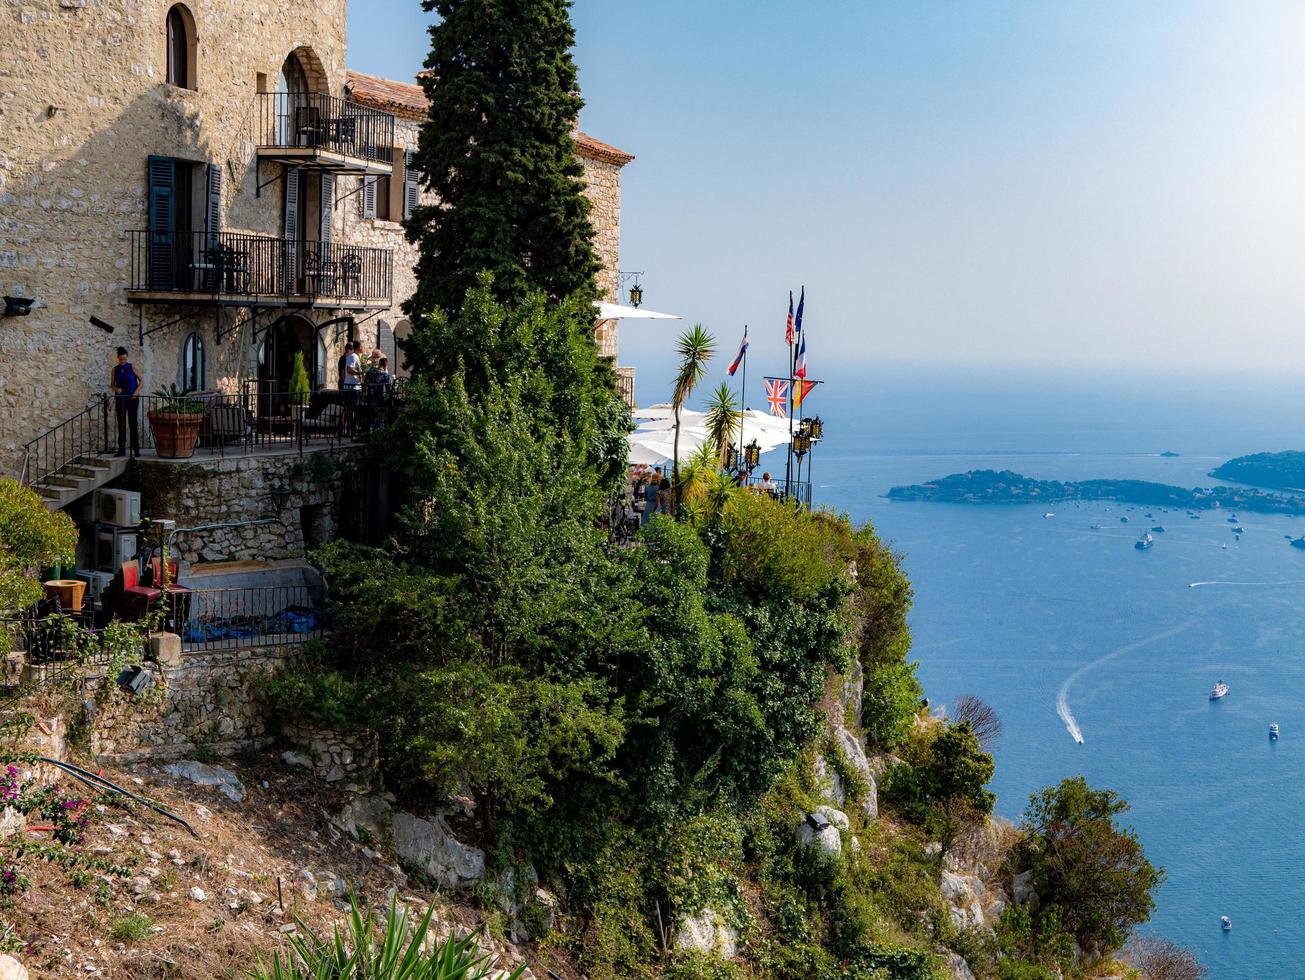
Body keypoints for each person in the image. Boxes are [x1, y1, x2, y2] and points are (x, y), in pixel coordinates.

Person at [109, 346, 143, 458]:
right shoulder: (115, 369)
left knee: (133, 423)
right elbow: (112, 384)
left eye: (124, 359)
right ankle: (121, 449)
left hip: (133, 399)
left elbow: (142, 380)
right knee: (121, 424)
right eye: (121, 359)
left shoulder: (132, 367)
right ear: (118, 358)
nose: (123, 361)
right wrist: (116, 388)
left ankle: (136, 449)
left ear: (126, 358)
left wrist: (136, 392)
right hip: (120, 399)